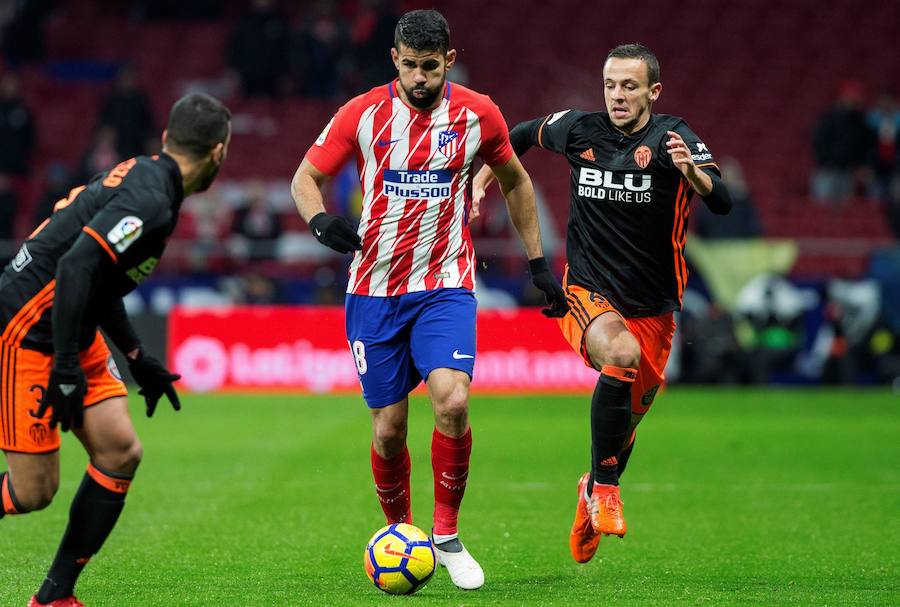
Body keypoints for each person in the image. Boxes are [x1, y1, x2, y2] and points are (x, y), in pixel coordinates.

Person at [290, 9, 566, 591]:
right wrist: (320, 223)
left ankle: (446, 536)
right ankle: (402, 536)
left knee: (452, 403)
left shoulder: (478, 112)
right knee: (389, 428)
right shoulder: (363, 113)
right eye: (410, 66)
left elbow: (515, 179)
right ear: (395, 59)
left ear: (449, 60)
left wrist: (539, 263)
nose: (420, 77)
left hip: (445, 283)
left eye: (430, 66)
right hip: (373, 289)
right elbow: (303, 178)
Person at [473, 43, 732, 564]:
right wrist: (485, 173)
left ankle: (591, 486)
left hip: (654, 304)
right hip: (587, 289)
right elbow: (518, 134)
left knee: (624, 425)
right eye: (611, 84)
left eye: (630, 86)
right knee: (619, 355)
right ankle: (607, 489)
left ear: (653, 92)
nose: (617, 95)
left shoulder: (674, 138)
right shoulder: (579, 129)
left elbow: (721, 199)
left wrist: (695, 176)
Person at [0, 92, 231, 607]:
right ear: (219, 152)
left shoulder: (155, 180)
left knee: (120, 451)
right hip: (28, 328)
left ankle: (54, 597)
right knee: (32, 492)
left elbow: (98, 282)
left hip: (70, 324)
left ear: (168, 138)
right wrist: (63, 370)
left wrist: (135, 355)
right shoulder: (152, 200)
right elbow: (75, 268)